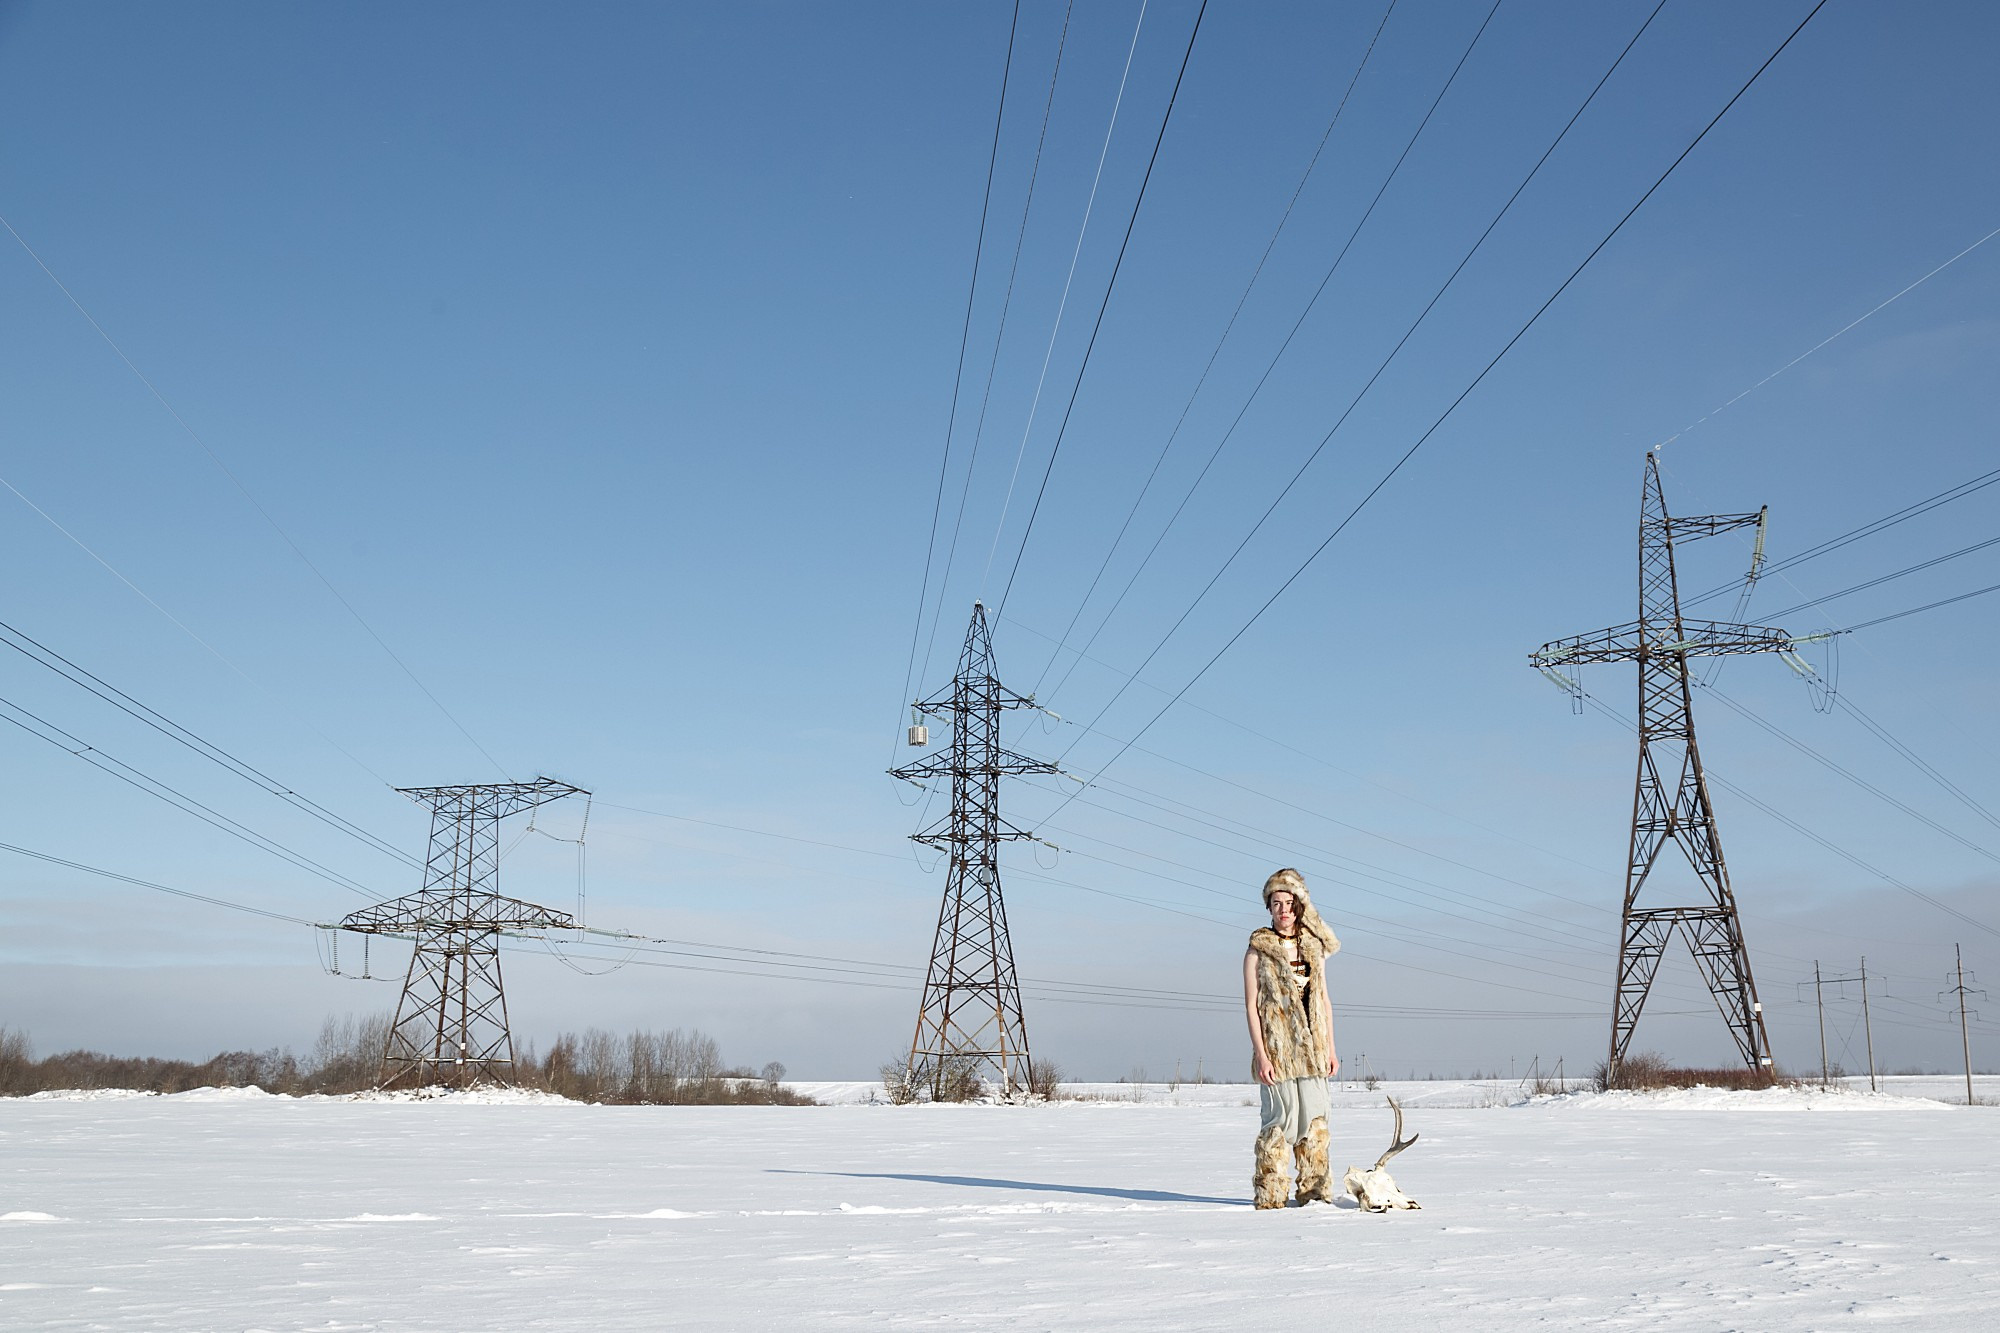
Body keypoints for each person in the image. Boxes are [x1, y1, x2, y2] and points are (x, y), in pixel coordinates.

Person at [1242, 866, 1340, 1209]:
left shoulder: (1314, 948)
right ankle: (1270, 1194)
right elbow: (1252, 1007)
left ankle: (1314, 1192)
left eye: (1289, 902)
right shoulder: (1258, 950)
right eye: (1276, 903)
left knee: (1316, 1121)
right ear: (1268, 908)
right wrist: (1262, 1055)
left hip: (1313, 1051)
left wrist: (1331, 1048)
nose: (1283, 910)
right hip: (1278, 1052)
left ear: (1299, 906)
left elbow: (1324, 999)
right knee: (1279, 1122)